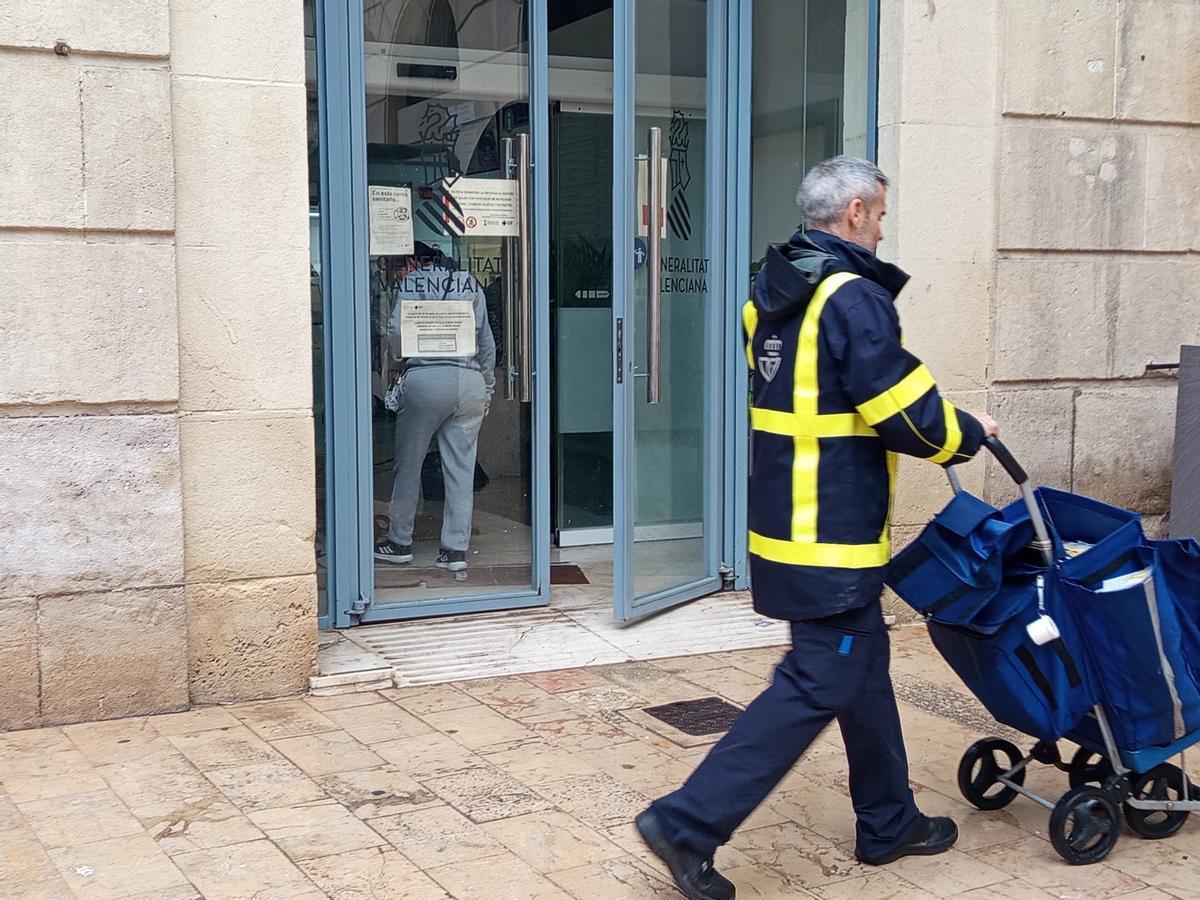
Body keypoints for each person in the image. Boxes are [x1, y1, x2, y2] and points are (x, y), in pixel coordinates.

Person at [635, 156, 1000, 900]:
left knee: (859, 667)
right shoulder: (853, 297)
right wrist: (968, 430)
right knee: (817, 678)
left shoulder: (768, 297)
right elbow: (901, 411)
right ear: (858, 213)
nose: (883, 229)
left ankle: (889, 821)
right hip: (830, 534)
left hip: (784, 524)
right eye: (883, 216)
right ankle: (687, 824)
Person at [374, 242, 496, 574]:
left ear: (412, 262)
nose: (394, 274)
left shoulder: (411, 284)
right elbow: (485, 342)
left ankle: (399, 542)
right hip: (468, 381)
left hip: (425, 380)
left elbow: (397, 331)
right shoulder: (469, 282)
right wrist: (486, 390)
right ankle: (455, 550)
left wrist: (398, 361)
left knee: (409, 465)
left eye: (396, 267)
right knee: (461, 469)